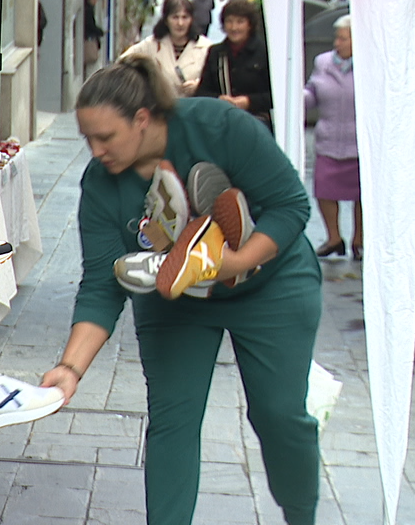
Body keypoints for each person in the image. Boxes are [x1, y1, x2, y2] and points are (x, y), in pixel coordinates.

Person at [41, 56, 322, 525]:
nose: (95, 150)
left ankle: (301, 515)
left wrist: (232, 262)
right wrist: (70, 368)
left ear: (143, 119)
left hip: (271, 283)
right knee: (173, 421)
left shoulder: (219, 125)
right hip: (174, 295)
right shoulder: (101, 184)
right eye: (87, 138)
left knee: (279, 415)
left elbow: (291, 206)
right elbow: (102, 282)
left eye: (105, 137)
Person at [304, 14, 362, 260]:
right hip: (328, 140)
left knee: (361, 195)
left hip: (358, 143)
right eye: (336, 38)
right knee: (325, 191)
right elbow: (312, 92)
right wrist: (299, 99)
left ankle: (359, 240)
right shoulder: (322, 62)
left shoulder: (369, 65)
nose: (337, 43)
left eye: (342, 38)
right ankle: (334, 238)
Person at [195, 0, 273, 128]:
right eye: (229, 22)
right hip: (222, 120)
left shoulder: (264, 52)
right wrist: (219, 99)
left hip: (255, 122)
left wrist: (249, 102)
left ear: (249, 25)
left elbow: (274, 95)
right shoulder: (216, 53)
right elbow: (202, 91)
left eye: (240, 22)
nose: (234, 27)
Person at [119, 0, 213, 96]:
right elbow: (123, 61)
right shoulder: (151, 45)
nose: (180, 23)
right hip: (160, 108)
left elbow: (215, 83)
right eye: (175, 17)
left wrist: (199, 85)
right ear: (166, 20)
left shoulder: (206, 47)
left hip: (192, 108)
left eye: (185, 17)